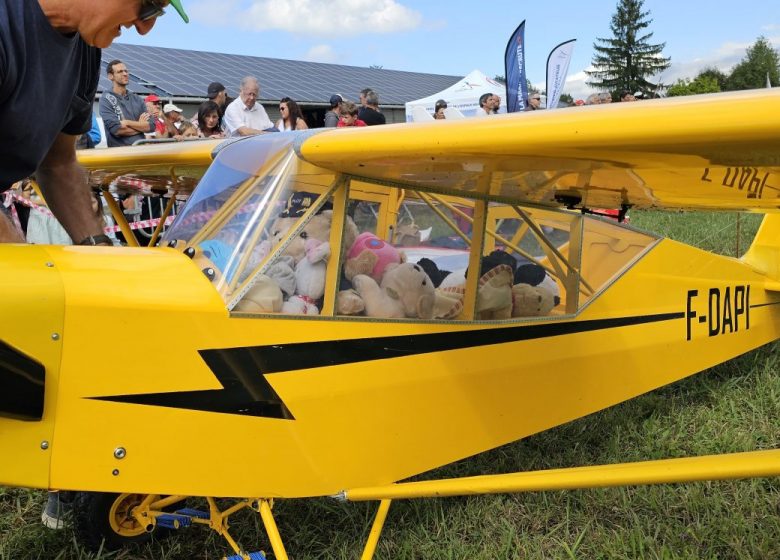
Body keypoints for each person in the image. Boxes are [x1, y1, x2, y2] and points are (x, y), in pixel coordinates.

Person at [0, 0, 188, 246]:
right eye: (148, 5)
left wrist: (98, 247)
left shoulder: (86, 53)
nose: (145, 27)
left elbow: (59, 164)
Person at [99, 59, 155, 147]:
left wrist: (128, 122)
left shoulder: (137, 98)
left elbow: (151, 126)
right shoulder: (106, 99)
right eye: (120, 72)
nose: (125, 74)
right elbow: (117, 130)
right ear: (110, 76)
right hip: (120, 155)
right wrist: (141, 125)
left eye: (126, 71)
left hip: (141, 151)